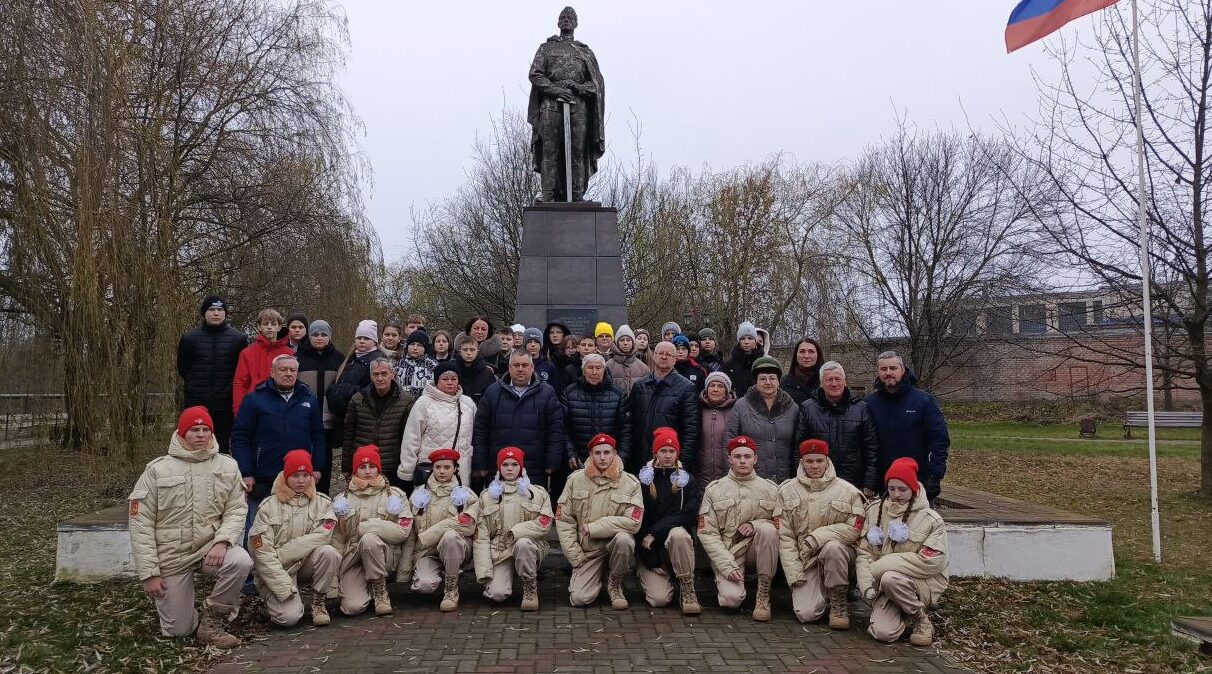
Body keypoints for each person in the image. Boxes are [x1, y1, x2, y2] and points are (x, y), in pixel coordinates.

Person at [128, 407, 251, 647]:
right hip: (172, 555)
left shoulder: (227, 466)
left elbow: (236, 509)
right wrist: (149, 573)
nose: (201, 435)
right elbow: (140, 524)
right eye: (194, 430)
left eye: (206, 429)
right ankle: (185, 613)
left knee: (240, 561)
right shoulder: (157, 470)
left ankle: (213, 621)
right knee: (178, 631)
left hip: (209, 548)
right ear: (182, 433)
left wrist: (223, 541)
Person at [857, 458, 949, 646]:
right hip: (883, 585)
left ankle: (921, 619)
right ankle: (901, 614)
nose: (896, 494)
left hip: (918, 582)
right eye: (891, 489)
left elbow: (931, 561)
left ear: (913, 488)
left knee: (890, 578)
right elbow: (864, 552)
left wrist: (879, 568)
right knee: (883, 633)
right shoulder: (875, 511)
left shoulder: (931, 519)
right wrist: (867, 586)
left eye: (902, 489)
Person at [231, 355, 326, 534]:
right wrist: (246, 472)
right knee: (257, 531)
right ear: (272, 372)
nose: (288, 374)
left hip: (299, 476)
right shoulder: (254, 399)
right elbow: (240, 438)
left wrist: (317, 467)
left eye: (293, 370)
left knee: (295, 530)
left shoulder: (309, 399)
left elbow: (318, 436)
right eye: (283, 370)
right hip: (263, 478)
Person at [778, 439, 865, 629]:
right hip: (806, 561)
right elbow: (785, 537)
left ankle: (838, 602)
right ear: (802, 463)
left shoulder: (848, 492)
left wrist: (817, 538)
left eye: (819, 460)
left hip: (840, 557)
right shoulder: (787, 491)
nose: (815, 466)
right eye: (809, 461)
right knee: (807, 614)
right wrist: (794, 573)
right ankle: (822, 591)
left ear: (827, 461)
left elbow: (855, 529)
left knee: (833, 547)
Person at [249, 450, 340, 628]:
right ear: (285, 477)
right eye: (295, 476)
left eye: (305, 475)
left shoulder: (323, 503)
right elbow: (262, 554)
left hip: (304, 564)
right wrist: (284, 588)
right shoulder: (268, 507)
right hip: (278, 569)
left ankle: (319, 603)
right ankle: (276, 602)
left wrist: (282, 553)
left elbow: (324, 535)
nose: (301, 481)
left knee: (328, 552)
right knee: (288, 618)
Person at [697, 435, 781, 622]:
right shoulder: (715, 490)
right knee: (731, 600)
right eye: (737, 456)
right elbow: (708, 533)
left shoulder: (770, 489)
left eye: (747, 456)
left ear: (755, 459)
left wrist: (755, 525)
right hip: (729, 552)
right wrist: (726, 566)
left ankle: (763, 594)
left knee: (769, 531)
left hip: (756, 549)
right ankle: (730, 580)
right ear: (729, 459)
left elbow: (780, 524)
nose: (742, 461)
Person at [527, 6, 605, 202]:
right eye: (563, 17)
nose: (566, 20)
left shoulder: (585, 52)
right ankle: (547, 195)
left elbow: (596, 84)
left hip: (578, 106)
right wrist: (556, 90)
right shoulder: (546, 48)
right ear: (558, 22)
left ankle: (577, 196)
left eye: (570, 17)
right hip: (550, 105)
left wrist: (577, 87)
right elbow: (535, 74)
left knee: (577, 152)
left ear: (576, 23)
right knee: (549, 151)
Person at [556, 434, 643, 609]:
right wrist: (576, 557)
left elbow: (633, 522)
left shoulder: (631, 483)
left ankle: (615, 583)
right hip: (588, 552)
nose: (602, 457)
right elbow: (564, 520)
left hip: (614, 547)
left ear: (615, 453)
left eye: (607, 452)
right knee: (579, 599)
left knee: (624, 539)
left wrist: (594, 527)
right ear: (590, 454)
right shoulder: (575, 480)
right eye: (597, 453)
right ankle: (595, 574)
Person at [331, 445, 413, 617]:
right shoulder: (341, 500)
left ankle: (380, 591)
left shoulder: (395, 495)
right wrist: (334, 577)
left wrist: (368, 527)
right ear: (355, 470)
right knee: (352, 608)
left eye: (372, 466)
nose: (368, 471)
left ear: (379, 468)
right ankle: (364, 587)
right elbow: (336, 538)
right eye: (362, 467)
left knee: (369, 539)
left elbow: (403, 531)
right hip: (353, 559)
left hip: (383, 554)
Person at [864, 351, 950, 505]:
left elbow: (938, 441)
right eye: (883, 369)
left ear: (903, 370)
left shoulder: (924, 401)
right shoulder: (868, 404)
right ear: (878, 372)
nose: (888, 373)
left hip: (918, 481)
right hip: (882, 484)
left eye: (893, 368)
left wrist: (934, 475)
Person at [474, 447, 555, 611]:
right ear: (499, 467)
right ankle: (501, 579)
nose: (509, 469)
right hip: (500, 551)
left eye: (514, 464)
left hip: (529, 547)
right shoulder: (487, 496)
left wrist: (516, 532)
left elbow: (544, 524)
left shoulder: (537, 493)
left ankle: (530, 587)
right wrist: (484, 571)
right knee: (497, 594)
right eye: (505, 464)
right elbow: (481, 537)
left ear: (521, 467)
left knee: (523, 543)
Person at [472, 350, 566, 487]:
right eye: (516, 365)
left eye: (525, 365)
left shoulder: (547, 392)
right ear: (509, 367)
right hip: (499, 467)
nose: (520, 369)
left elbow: (555, 429)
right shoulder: (492, 392)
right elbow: (481, 429)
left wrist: (553, 460)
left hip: (535, 468)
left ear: (532, 367)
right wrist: (480, 461)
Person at [634, 428, 702, 615]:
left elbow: (688, 515)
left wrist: (655, 532)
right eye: (663, 450)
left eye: (672, 451)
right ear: (655, 453)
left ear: (677, 453)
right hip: (650, 549)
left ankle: (687, 588)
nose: (667, 455)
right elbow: (638, 519)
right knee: (659, 600)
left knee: (679, 533)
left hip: (673, 542)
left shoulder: (688, 480)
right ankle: (649, 572)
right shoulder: (642, 481)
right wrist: (650, 560)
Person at [408, 448, 480, 611]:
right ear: (432, 468)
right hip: (427, 552)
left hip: (458, 549)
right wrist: (406, 567)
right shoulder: (418, 493)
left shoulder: (467, 495)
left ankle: (451, 590)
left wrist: (430, 535)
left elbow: (469, 527)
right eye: (438, 467)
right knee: (424, 586)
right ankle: (441, 573)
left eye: (447, 467)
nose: (442, 471)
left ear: (455, 469)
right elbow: (410, 532)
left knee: (450, 536)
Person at [796, 361, 880, 497]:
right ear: (821, 383)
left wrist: (869, 483)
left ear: (844, 382)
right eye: (829, 380)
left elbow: (871, 448)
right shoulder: (808, 408)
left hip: (853, 483)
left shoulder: (861, 408)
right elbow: (798, 447)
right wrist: (800, 480)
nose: (834, 383)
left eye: (838, 379)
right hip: (817, 482)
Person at [176, 295, 247, 453]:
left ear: (225, 313)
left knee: (222, 447)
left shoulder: (238, 339)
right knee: (196, 445)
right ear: (204, 313)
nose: (216, 313)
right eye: (212, 309)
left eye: (220, 309)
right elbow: (183, 368)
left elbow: (241, 371)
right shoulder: (189, 338)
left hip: (225, 405)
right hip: (196, 403)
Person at [399, 362, 476, 488]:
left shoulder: (468, 404)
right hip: (431, 468)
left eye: (454, 379)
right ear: (436, 381)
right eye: (445, 379)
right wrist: (407, 470)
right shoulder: (423, 403)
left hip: (461, 470)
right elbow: (411, 438)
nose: (450, 382)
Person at [726, 356, 801, 484]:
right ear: (756, 381)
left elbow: (797, 445)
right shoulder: (741, 405)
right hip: (750, 479)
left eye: (772, 378)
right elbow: (730, 440)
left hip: (785, 479)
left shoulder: (792, 407)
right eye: (762, 378)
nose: (768, 382)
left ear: (779, 381)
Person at [343, 358, 416, 489]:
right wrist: (346, 466)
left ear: (392, 375)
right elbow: (348, 435)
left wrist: (407, 466)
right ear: (371, 376)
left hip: (392, 465)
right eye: (376, 374)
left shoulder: (406, 401)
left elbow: (409, 438)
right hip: (364, 464)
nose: (380, 378)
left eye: (384, 373)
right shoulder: (357, 399)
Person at [629, 341, 700, 474]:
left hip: (670, 460)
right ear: (654, 355)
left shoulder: (686, 388)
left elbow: (691, 429)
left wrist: (682, 462)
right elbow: (630, 423)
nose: (663, 357)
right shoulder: (640, 386)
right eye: (660, 353)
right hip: (640, 458)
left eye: (668, 354)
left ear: (675, 359)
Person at [296, 320, 345, 494]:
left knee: (324, 462)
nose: (319, 338)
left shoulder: (339, 358)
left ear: (329, 337)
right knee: (302, 459)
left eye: (323, 334)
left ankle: (323, 497)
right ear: (309, 336)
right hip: (303, 419)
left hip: (328, 420)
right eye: (315, 334)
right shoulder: (299, 357)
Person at [326, 319, 385, 452]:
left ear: (374, 341)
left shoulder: (377, 361)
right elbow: (338, 382)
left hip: (363, 422)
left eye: (366, 338)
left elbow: (375, 390)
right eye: (359, 338)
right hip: (345, 419)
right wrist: (332, 391)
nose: (362, 341)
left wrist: (351, 394)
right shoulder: (351, 359)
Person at [562, 353, 630, 467]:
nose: (594, 372)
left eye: (598, 368)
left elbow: (626, 430)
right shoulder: (569, 393)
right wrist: (570, 453)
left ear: (604, 370)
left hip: (609, 460)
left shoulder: (618, 395)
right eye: (590, 368)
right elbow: (563, 428)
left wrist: (620, 458)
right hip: (579, 461)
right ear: (583, 371)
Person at [232, 308, 292, 415]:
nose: (269, 327)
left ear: (279, 327)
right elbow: (240, 383)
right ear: (259, 327)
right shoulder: (247, 353)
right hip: (253, 409)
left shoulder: (289, 353)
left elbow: (292, 383)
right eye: (265, 324)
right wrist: (238, 411)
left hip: (281, 409)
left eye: (273, 324)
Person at [696, 371, 737, 486]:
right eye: (712, 385)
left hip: (728, 475)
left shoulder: (736, 410)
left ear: (726, 390)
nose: (715, 389)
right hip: (700, 474)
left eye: (720, 386)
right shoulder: (696, 408)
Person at [722, 321, 765, 397]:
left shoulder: (764, 364)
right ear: (739, 341)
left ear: (755, 340)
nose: (746, 342)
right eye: (742, 338)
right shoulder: (729, 365)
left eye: (750, 338)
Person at [452, 333, 497, 404]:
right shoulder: (452, 369)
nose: (468, 353)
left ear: (477, 352)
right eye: (465, 350)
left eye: (472, 350)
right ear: (460, 352)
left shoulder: (487, 372)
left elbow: (492, 397)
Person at [605, 324, 649, 395]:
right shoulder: (608, 366)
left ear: (633, 342)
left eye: (628, 340)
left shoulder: (643, 367)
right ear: (617, 343)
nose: (625, 343)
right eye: (622, 340)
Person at [783, 338, 825, 405]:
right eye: (802, 352)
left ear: (818, 355)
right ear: (796, 355)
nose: (806, 356)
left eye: (811, 352)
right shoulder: (784, 383)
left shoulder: (827, 381)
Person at [396, 330, 437, 398]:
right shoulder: (398, 365)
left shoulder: (433, 366)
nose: (415, 348)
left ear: (425, 348)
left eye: (419, 345)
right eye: (412, 344)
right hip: (401, 403)